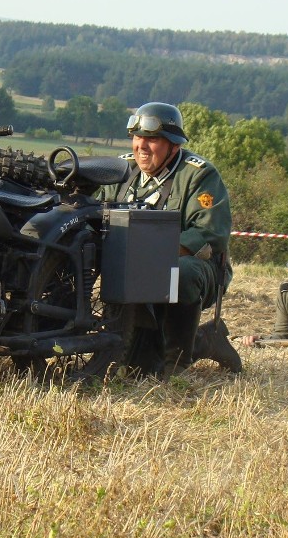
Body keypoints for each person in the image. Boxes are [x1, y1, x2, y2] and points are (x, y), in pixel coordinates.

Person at [97, 102, 241, 375]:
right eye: (138, 137)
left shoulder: (199, 174)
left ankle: (176, 364)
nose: (141, 146)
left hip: (197, 267)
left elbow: (210, 234)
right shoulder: (120, 170)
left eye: (152, 139)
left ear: (173, 146)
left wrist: (151, 257)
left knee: (180, 272)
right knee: (138, 367)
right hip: (131, 266)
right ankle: (197, 342)